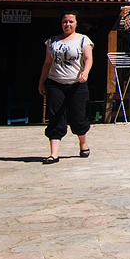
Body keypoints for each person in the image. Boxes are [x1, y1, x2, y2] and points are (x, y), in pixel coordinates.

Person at [38, 10, 93, 164]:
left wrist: (85, 72)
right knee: (55, 116)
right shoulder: (52, 41)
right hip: (55, 83)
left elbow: (88, 59)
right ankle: (54, 154)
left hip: (76, 85)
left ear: (76, 23)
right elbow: (47, 63)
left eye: (70, 21)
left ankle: (83, 143)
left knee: (77, 117)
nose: (67, 24)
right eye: (64, 22)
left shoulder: (83, 40)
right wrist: (41, 82)